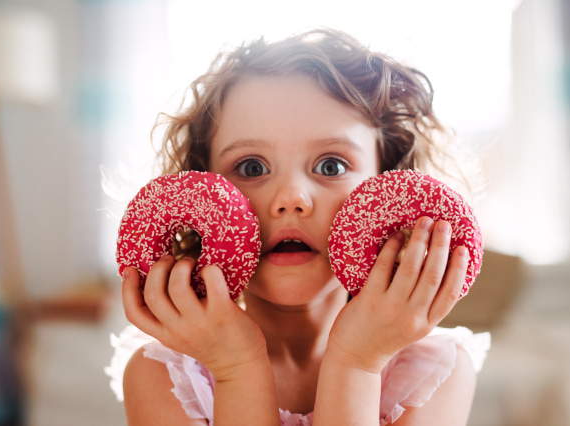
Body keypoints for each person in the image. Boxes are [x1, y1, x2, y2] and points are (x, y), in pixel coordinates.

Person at [105, 28, 491, 426]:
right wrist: (237, 366)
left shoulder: (432, 373)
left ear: (390, 183)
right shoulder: (164, 376)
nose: (291, 197)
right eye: (251, 167)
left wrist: (357, 363)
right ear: (199, 195)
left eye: (331, 166)